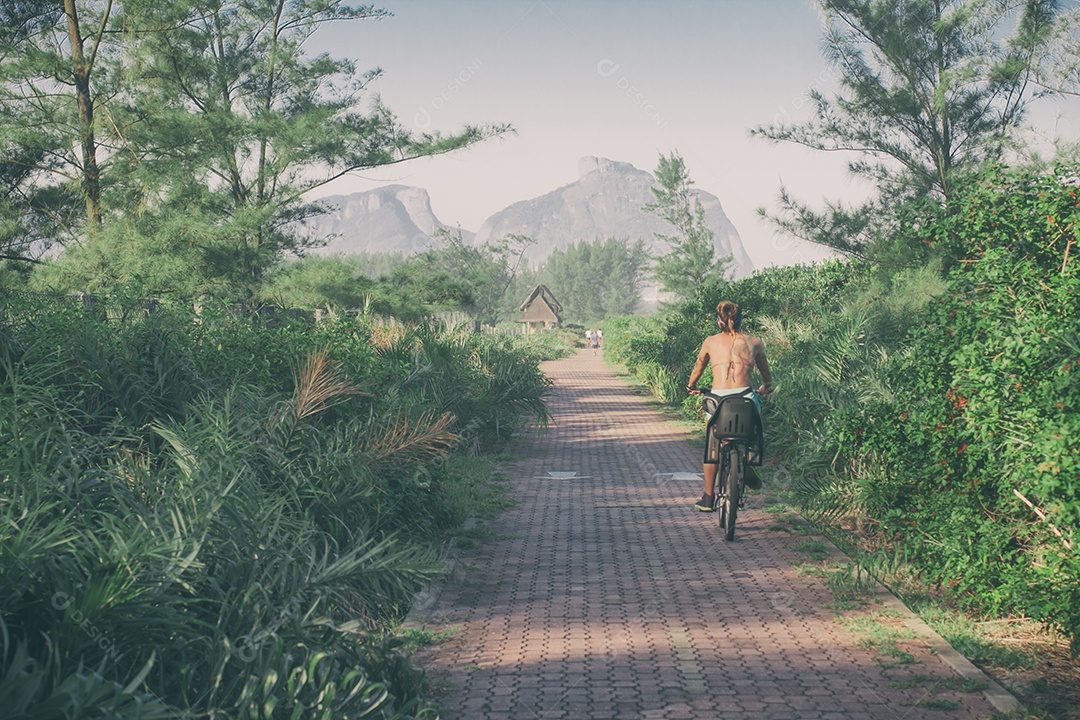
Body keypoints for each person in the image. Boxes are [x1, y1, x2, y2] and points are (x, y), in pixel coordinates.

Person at [686, 301, 773, 512]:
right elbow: (765, 373)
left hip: (718, 401)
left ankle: (708, 497)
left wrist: (691, 385)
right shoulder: (755, 342)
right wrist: (766, 387)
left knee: (712, 443)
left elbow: (699, 365)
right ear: (741, 319)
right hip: (745, 398)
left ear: (719, 322)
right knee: (754, 428)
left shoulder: (710, 342)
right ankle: (750, 461)